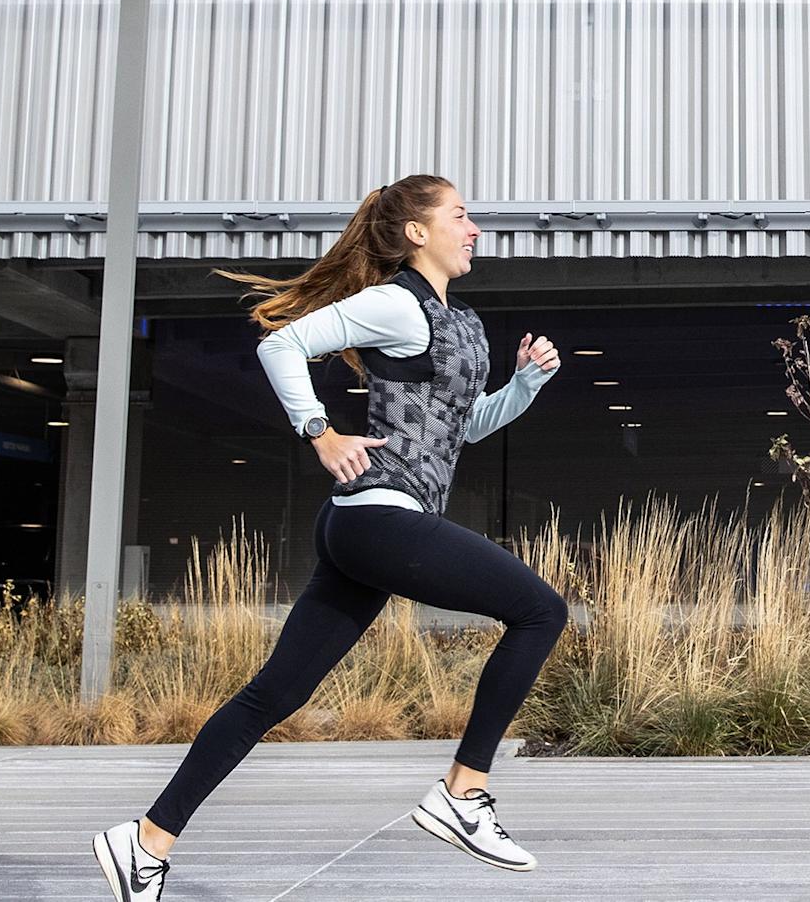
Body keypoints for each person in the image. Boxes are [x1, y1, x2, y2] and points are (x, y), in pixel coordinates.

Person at [92, 175, 567, 899]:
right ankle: (462, 794)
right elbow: (281, 346)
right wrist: (319, 431)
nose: (474, 229)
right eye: (461, 216)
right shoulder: (393, 304)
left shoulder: (462, 322)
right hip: (379, 518)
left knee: (270, 697)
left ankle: (145, 842)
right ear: (417, 232)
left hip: (373, 526)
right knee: (541, 610)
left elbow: (461, 428)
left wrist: (524, 386)